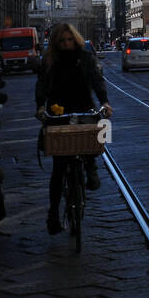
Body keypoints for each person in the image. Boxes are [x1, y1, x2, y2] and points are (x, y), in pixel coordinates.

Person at [35, 23, 113, 236]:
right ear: (56, 43)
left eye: (70, 40)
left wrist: (105, 102)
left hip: (83, 105)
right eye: (62, 41)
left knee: (91, 134)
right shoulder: (50, 60)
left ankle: (91, 167)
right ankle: (53, 214)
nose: (67, 44)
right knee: (58, 169)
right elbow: (41, 84)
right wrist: (41, 106)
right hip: (58, 109)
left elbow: (98, 81)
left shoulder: (85, 58)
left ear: (75, 40)